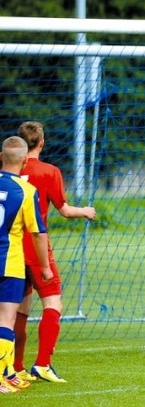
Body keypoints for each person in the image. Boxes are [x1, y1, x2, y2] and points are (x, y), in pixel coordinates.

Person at [12, 121, 96, 384]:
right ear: (42, 143)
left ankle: (16, 366)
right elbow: (65, 210)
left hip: (12, 249)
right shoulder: (50, 172)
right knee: (53, 303)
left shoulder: (8, 171)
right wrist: (85, 211)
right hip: (38, 249)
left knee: (19, 311)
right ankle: (43, 364)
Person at [0, 136, 52, 395]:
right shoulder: (26, 191)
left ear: (1, 156)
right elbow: (38, 233)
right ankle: (1, 378)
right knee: (6, 320)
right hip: (9, 265)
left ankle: (8, 371)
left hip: (9, 264)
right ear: (23, 160)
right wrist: (45, 267)